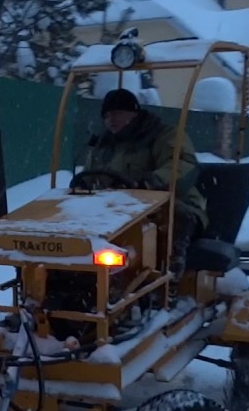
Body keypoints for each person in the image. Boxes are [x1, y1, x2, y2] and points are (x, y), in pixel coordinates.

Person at [80, 88, 208, 278]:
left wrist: (149, 183)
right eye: (106, 115)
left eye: (117, 113)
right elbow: (89, 175)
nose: (110, 119)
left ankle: (170, 275)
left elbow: (182, 165)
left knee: (173, 215)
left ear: (134, 113)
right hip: (117, 209)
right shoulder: (103, 145)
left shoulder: (163, 135)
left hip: (167, 204)